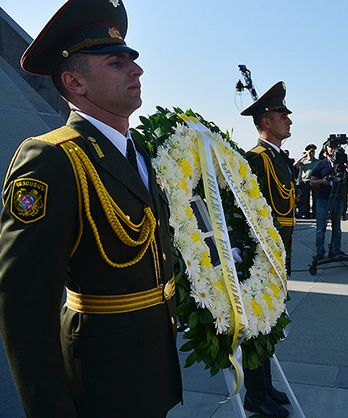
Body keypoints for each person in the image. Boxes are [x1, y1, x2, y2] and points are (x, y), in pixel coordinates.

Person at [0, 1, 183, 417]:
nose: (136, 70)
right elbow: (24, 308)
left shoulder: (137, 153)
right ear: (74, 82)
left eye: (132, 61)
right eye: (117, 63)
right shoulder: (51, 159)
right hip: (101, 384)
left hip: (153, 370)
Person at [241, 81, 294, 418]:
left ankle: (266, 386)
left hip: (280, 250)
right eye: (281, 114)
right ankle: (255, 395)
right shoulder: (255, 159)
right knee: (256, 324)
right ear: (266, 122)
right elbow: (247, 210)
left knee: (270, 321)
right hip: (261, 255)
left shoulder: (278, 157)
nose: (289, 119)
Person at [310, 134, 348, 260]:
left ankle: (336, 250)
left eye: (336, 147)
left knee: (337, 227)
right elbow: (312, 182)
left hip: (338, 198)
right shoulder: (321, 164)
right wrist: (322, 182)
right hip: (323, 199)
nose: (333, 149)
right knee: (321, 228)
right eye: (331, 147)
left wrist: (344, 161)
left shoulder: (342, 163)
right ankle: (320, 251)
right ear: (326, 148)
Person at [293, 144, 318, 219]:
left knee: (315, 198)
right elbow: (295, 164)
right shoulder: (304, 161)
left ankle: (314, 214)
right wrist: (302, 157)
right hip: (305, 181)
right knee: (306, 199)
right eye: (310, 152)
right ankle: (307, 213)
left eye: (312, 152)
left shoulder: (317, 161)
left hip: (314, 182)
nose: (311, 153)